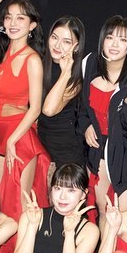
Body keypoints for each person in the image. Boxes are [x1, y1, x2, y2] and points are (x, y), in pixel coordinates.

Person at [0, 0, 50, 224]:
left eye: (20, 18)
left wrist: (12, 139)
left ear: (32, 25)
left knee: (20, 205)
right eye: (8, 17)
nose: (13, 23)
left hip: (18, 133)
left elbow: (35, 108)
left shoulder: (32, 59)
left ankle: (22, 248)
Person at [77, 15, 127, 215]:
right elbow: (81, 107)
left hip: (125, 153)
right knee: (103, 211)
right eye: (110, 37)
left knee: (121, 213)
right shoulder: (89, 64)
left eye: (122, 39)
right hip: (96, 150)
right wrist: (86, 126)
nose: (114, 44)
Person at [39, 17, 87, 178]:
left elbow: (49, 110)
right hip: (40, 147)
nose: (57, 45)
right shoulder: (38, 63)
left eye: (66, 42)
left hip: (66, 153)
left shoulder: (77, 76)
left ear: (76, 46)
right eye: (54, 37)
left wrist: (66, 72)